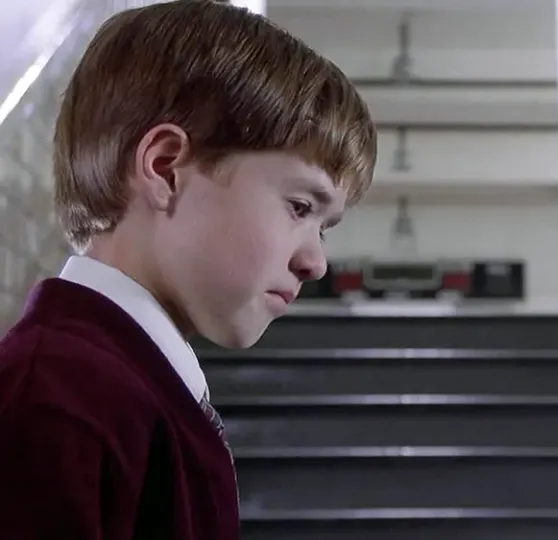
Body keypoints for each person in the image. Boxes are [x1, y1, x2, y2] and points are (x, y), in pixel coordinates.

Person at [0, 1, 376, 538]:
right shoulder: (57, 404)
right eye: (299, 207)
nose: (315, 262)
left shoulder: (124, 391)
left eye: (325, 227)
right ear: (165, 168)